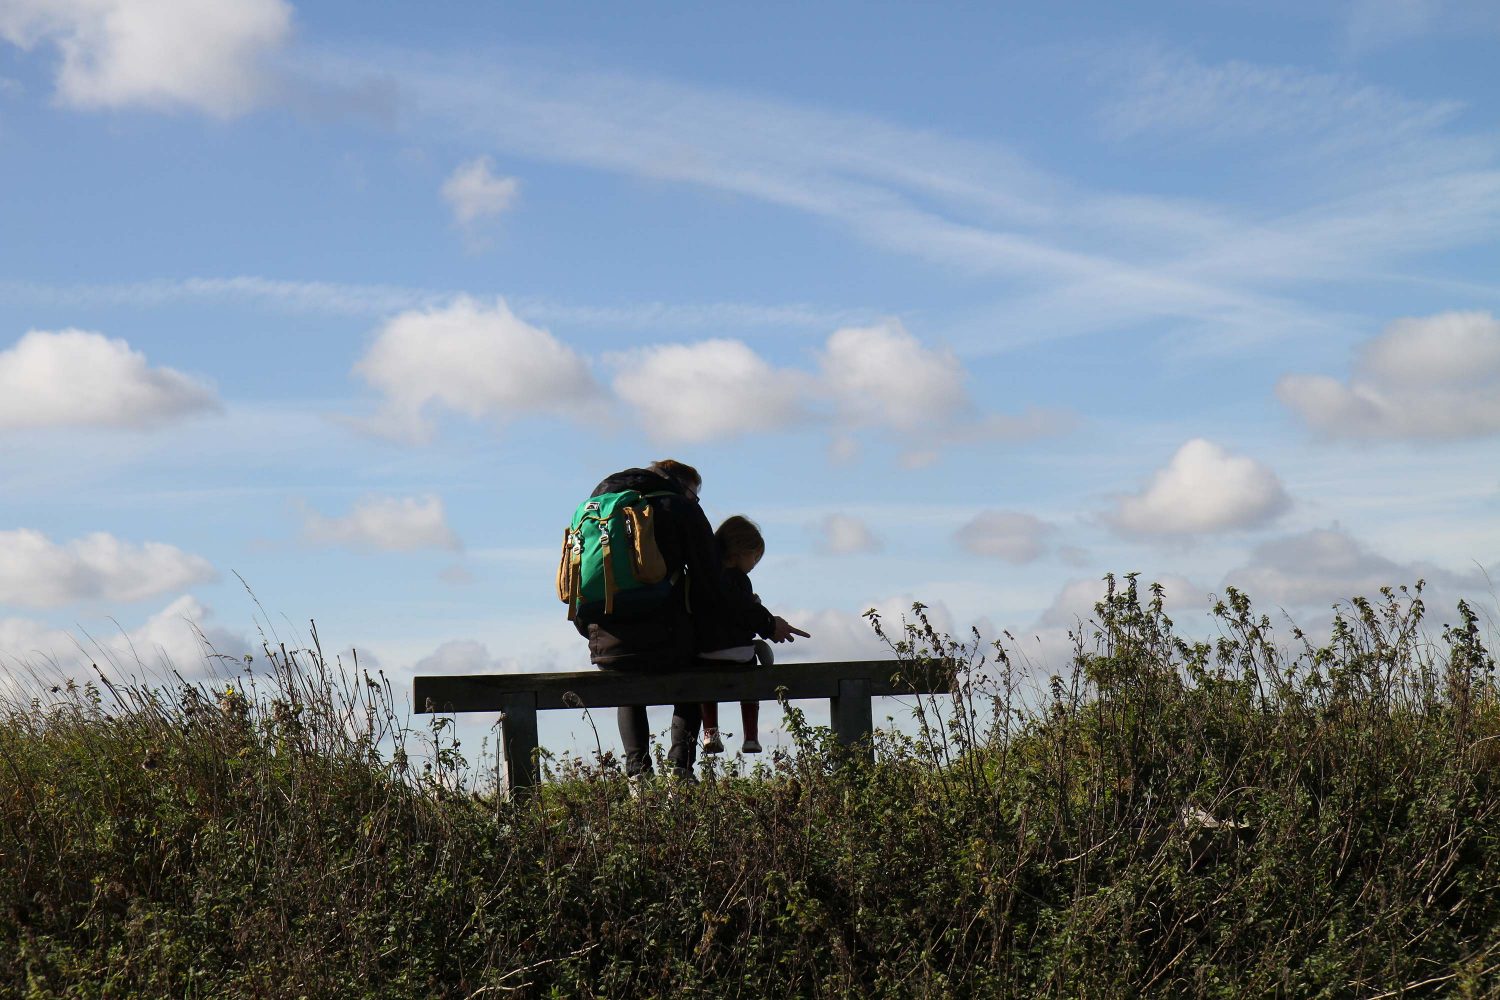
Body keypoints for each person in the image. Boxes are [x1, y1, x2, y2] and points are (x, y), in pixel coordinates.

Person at [572, 459, 729, 782]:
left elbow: (580, 583)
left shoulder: (597, 506)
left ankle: (637, 775)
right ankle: (680, 771)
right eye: (695, 494)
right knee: (694, 672)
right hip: (668, 635)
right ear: (681, 485)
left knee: (628, 685)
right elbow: (709, 580)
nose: (696, 501)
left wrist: (593, 633)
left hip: (606, 638)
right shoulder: (679, 507)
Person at [699, 515, 810, 755]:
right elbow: (742, 612)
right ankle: (750, 736)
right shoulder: (738, 580)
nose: (755, 563)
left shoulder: (705, 577)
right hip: (738, 652)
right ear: (739, 552)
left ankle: (710, 733)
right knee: (750, 681)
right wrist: (765, 619)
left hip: (704, 652)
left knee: (706, 691)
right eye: (754, 557)